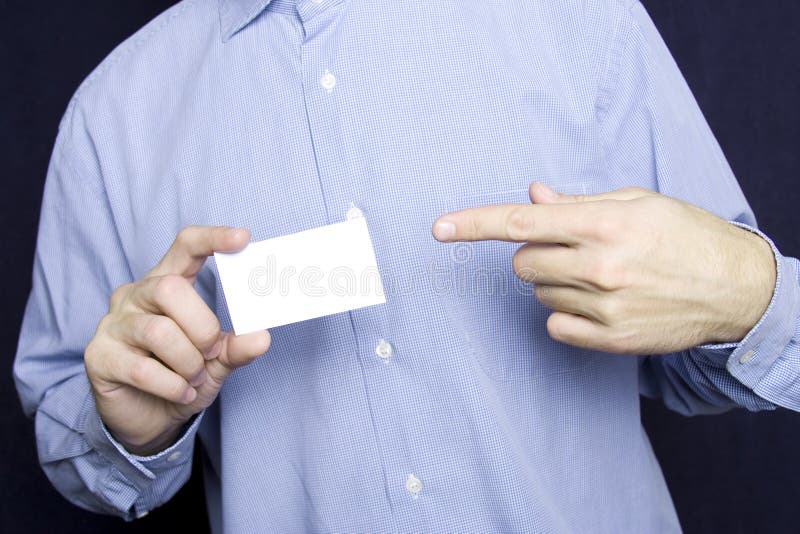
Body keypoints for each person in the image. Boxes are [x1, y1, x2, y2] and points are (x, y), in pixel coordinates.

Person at [13, 0, 800, 531]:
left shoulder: (580, 19)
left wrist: (748, 296)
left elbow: (716, 366)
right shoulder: (112, 114)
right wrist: (131, 432)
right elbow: (76, 443)